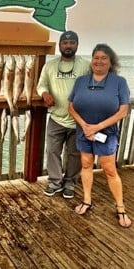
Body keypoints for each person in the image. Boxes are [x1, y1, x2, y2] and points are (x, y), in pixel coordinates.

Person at [68, 43, 132, 228]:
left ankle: (120, 207)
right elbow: (71, 106)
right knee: (86, 165)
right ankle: (87, 200)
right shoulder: (81, 81)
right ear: (91, 61)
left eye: (104, 58)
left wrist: (97, 127)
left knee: (109, 170)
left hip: (106, 133)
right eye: (96, 57)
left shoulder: (119, 82)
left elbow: (123, 111)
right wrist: (85, 126)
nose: (99, 61)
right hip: (84, 132)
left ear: (111, 61)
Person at [37, 31, 90, 198]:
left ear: (77, 45)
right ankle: (54, 182)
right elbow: (41, 85)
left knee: (74, 154)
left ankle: (70, 183)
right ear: (60, 45)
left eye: (72, 43)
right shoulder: (50, 66)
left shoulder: (85, 65)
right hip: (56, 118)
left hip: (78, 120)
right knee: (52, 151)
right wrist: (45, 94)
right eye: (65, 43)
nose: (68, 46)